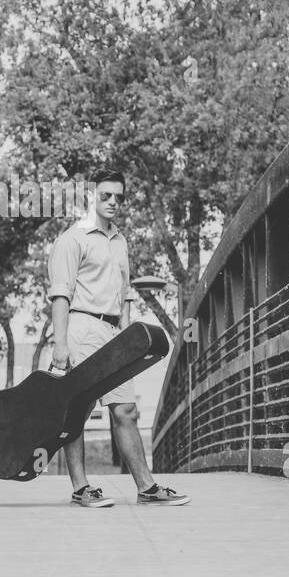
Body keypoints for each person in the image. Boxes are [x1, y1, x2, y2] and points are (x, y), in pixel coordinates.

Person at [46, 167, 190, 508]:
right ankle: (81, 488)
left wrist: (127, 338)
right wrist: (60, 346)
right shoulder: (73, 239)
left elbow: (124, 293)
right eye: (106, 195)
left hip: (114, 334)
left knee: (126, 411)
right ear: (90, 196)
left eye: (119, 197)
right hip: (82, 328)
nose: (113, 202)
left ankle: (146, 488)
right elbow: (60, 295)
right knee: (77, 411)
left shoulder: (120, 239)